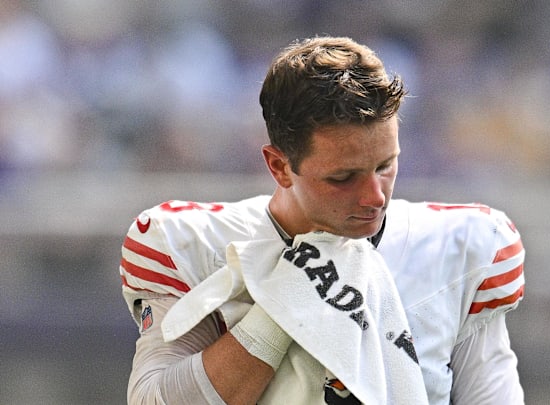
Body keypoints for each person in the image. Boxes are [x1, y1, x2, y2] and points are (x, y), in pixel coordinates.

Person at [120, 36, 526, 405]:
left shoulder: (459, 249)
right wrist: (286, 301)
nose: (376, 196)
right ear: (279, 166)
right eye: (342, 177)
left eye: (386, 166)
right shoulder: (191, 244)